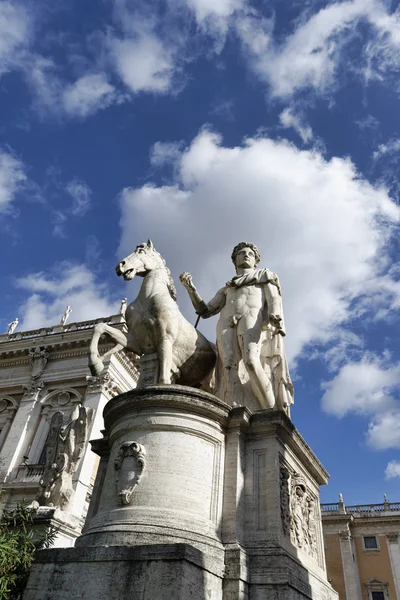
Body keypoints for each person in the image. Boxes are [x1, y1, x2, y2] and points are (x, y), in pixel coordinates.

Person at [180, 242, 293, 412]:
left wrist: (275, 314)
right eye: (241, 253)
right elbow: (205, 311)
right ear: (234, 261)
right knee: (227, 366)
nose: (246, 255)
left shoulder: (264, 276)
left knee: (251, 362)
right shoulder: (227, 288)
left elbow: (274, 299)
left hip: (251, 317)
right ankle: (231, 408)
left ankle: (271, 410)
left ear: (256, 261)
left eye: (250, 253)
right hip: (226, 321)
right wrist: (191, 289)